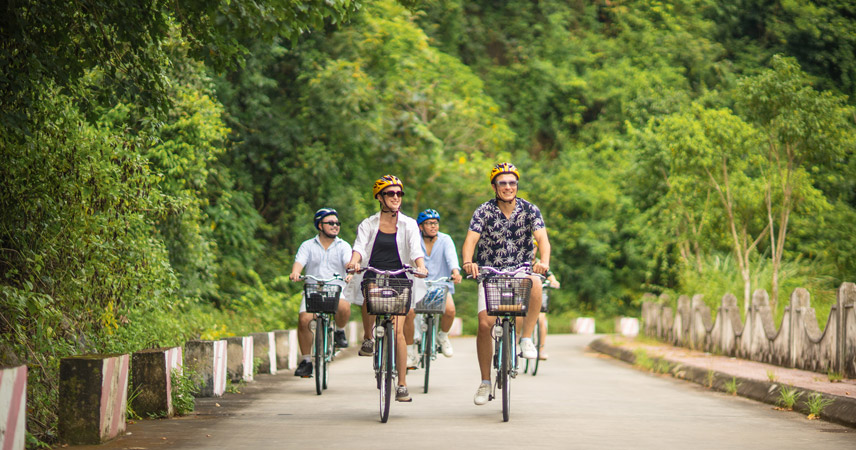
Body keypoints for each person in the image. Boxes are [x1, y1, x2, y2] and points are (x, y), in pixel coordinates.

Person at [461, 162, 551, 406]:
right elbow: (471, 240)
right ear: (494, 186)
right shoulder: (484, 211)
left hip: (521, 270)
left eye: (512, 183)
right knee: (484, 324)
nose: (508, 187)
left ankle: (526, 339)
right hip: (491, 273)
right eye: (503, 183)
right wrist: (468, 262)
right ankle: (485, 382)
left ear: (517, 185)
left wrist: (543, 261)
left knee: (535, 282)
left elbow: (542, 239)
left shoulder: (530, 210)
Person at [344, 175, 428, 403]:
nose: (395, 197)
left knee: (398, 332)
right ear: (380, 198)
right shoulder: (368, 224)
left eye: (399, 193)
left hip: (400, 276)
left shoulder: (409, 223)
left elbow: (415, 250)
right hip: (373, 272)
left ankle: (402, 384)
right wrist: (354, 262)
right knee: (367, 294)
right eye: (390, 194)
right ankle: (368, 337)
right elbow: (359, 247)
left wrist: (420, 266)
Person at [289, 208, 353, 378]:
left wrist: (350, 271)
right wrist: (296, 272)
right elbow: (299, 262)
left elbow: (348, 262)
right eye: (330, 223)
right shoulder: (307, 245)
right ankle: (306, 361)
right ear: (319, 225)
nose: (335, 226)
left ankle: (339, 331)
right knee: (304, 320)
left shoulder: (343, 246)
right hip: (313, 291)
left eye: (337, 223)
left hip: (336, 290)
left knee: (344, 307)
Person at [407, 208, 462, 367]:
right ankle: (411, 348)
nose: (433, 226)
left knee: (450, 310)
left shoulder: (445, 240)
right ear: (421, 227)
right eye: (429, 223)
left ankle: (443, 336)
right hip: (418, 284)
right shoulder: (414, 240)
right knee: (410, 312)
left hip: (440, 284)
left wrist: (455, 272)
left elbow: (452, 259)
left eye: (435, 223)